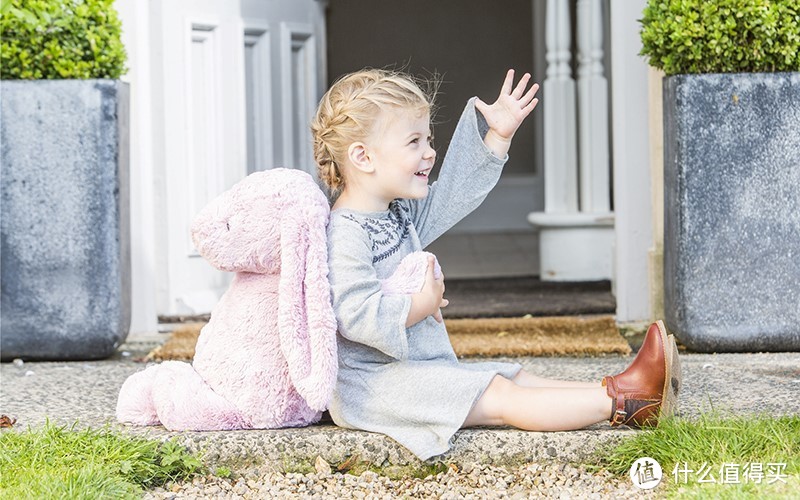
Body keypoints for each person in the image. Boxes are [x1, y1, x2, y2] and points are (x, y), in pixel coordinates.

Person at [311, 68, 681, 461]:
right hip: (373, 387)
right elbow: (355, 314)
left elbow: (451, 196)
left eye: (429, 139)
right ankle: (628, 404)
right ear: (363, 156)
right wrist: (424, 301)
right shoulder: (344, 233)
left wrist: (497, 136)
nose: (429, 151)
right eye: (413, 141)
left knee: (511, 374)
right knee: (499, 395)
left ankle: (620, 386)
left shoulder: (395, 213)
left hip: (403, 372)